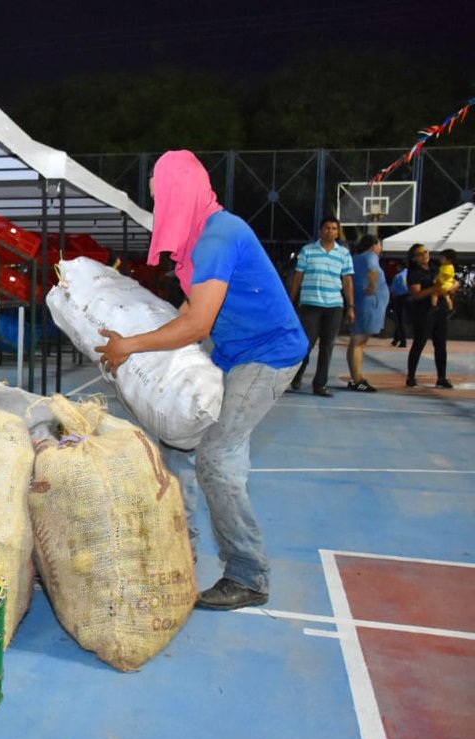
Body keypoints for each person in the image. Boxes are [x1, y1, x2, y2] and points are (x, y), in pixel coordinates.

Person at [95, 150, 308, 611]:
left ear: (183, 192)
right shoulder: (198, 240)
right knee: (180, 441)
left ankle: (248, 576)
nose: (158, 207)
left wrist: (131, 345)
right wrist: (142, 339)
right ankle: (180, 550)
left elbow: (196, 324)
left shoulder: (219, 236)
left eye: (161, 197)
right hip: (234, 352)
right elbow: (191, 309)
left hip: (269, 354)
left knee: (216, 456)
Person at [289, 217, 355, 397]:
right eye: (327, 228)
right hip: (310, 304)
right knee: (306, 344)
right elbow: (298, 277)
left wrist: (350, 306)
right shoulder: (308, 251)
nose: (330, 231)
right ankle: (296, 375)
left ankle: (320, 384)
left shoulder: (344, 254)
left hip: (334, 305)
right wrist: (291, 300)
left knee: (327, 346)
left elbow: (347, 281)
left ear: (338, 232)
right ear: (320, 231)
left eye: (334, 228)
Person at [404, 243, 455, 389]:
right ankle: (411, 376)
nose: (425, 255)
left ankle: (441, 377)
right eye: (420, 254)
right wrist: (434, 289)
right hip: (424, 312)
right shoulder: (414, 272)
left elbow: (450, 281)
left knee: (441, 345)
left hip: (440, 310)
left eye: (426, 252)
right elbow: (416, 294)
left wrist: (450, 287)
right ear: (414, 258)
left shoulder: (435, 267)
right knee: (419, 343)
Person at [345, 234, 390, 392]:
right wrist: (373, 286)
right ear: (374, 245)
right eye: (380, 245)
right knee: (359, 341)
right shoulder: (370, 256)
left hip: (363, 302)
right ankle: (358, 379)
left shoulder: (355, 258)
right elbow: (373, 269)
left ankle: (355, 377)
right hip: (369, 304)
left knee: (357, 341)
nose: (380, 248)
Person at [388, 260, 410, 347]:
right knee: (404, 319)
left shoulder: (398, 276)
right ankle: (396, 339)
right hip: (411, 298)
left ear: (400, 266)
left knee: (400, 320)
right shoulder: (410, 274)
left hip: (401, 298)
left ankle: (403, 341)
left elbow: (393, 289)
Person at [435, 249, 458, 313]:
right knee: (447, 297)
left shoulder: (448, 267)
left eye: (442, 258)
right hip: (445, 284)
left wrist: (440, 280)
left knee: (434, 294)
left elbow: (446, 275)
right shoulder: (443, 266)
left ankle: (434, 306)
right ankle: (450, 308)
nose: (440, 259)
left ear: (449, 260)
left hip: (445, 284)